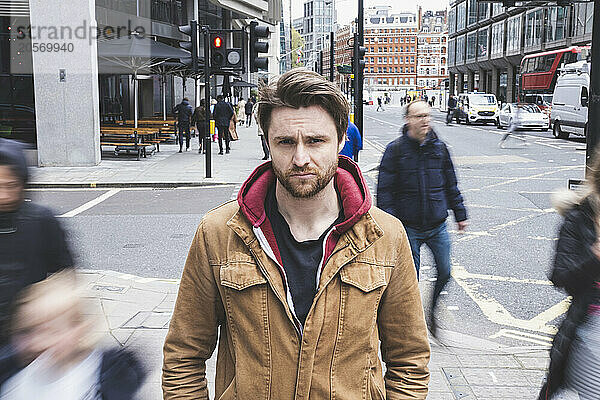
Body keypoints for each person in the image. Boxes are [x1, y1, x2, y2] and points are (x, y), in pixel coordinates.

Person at [162, 69, 430, 399]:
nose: (300, 158)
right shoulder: (217, 233)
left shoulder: (387, 237)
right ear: (268, 142)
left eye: (315, 141)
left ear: (342, 139)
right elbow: (183, 357)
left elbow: (409, 360)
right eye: (286, 142)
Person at [377, 100, 468, 337]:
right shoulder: (395, 150)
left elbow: (451, 184)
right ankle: (411, 324)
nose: (425, 120)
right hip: (408, 227)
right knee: (409, 280)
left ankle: (433, 311)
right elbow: (384, 192)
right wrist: (390, 225)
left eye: (428, 115)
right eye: (419, 116)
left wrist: (460, 215)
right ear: (408, 119)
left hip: (437, 225)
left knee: (446, 271)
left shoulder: (440, 148)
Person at [0, 271, 146, 399]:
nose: (39, 342)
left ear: (78, 329)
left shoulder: (106, 378)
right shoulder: (17, 384)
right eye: (28, 331)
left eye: (53, 332)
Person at [0, 139, 73, 348]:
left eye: (11, 186)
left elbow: (67, 278)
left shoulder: (42, 221)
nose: (3, 196)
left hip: (30, 343)